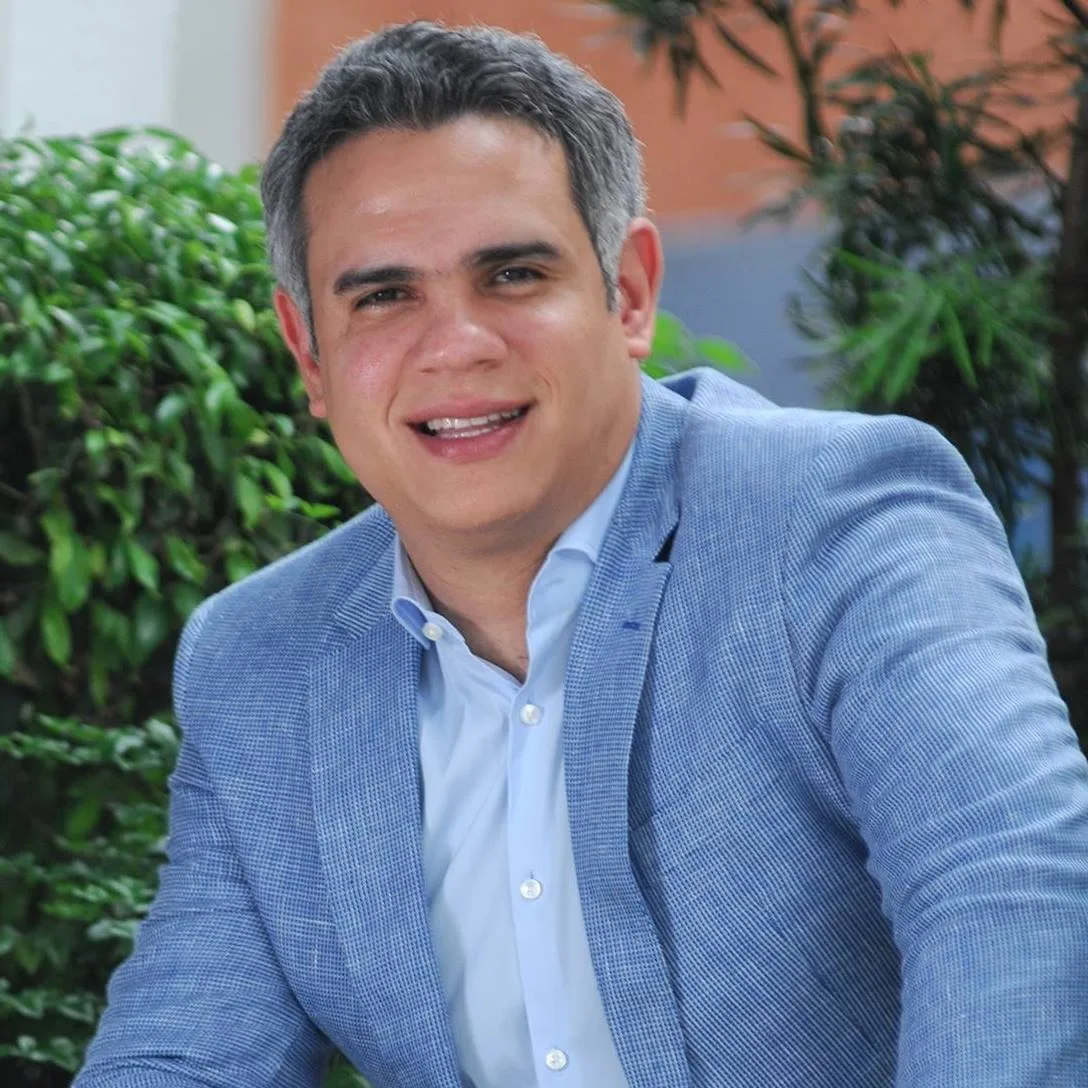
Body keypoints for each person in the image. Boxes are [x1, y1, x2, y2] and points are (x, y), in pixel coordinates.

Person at [75, 21, 1088, 1088]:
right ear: (309, 353)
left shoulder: (833, 523)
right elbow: (184, 1055)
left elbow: (1007, 886)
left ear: (629, 291)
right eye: (382, 295)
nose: (455, 344)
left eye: (512, 273)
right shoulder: (258, 661)